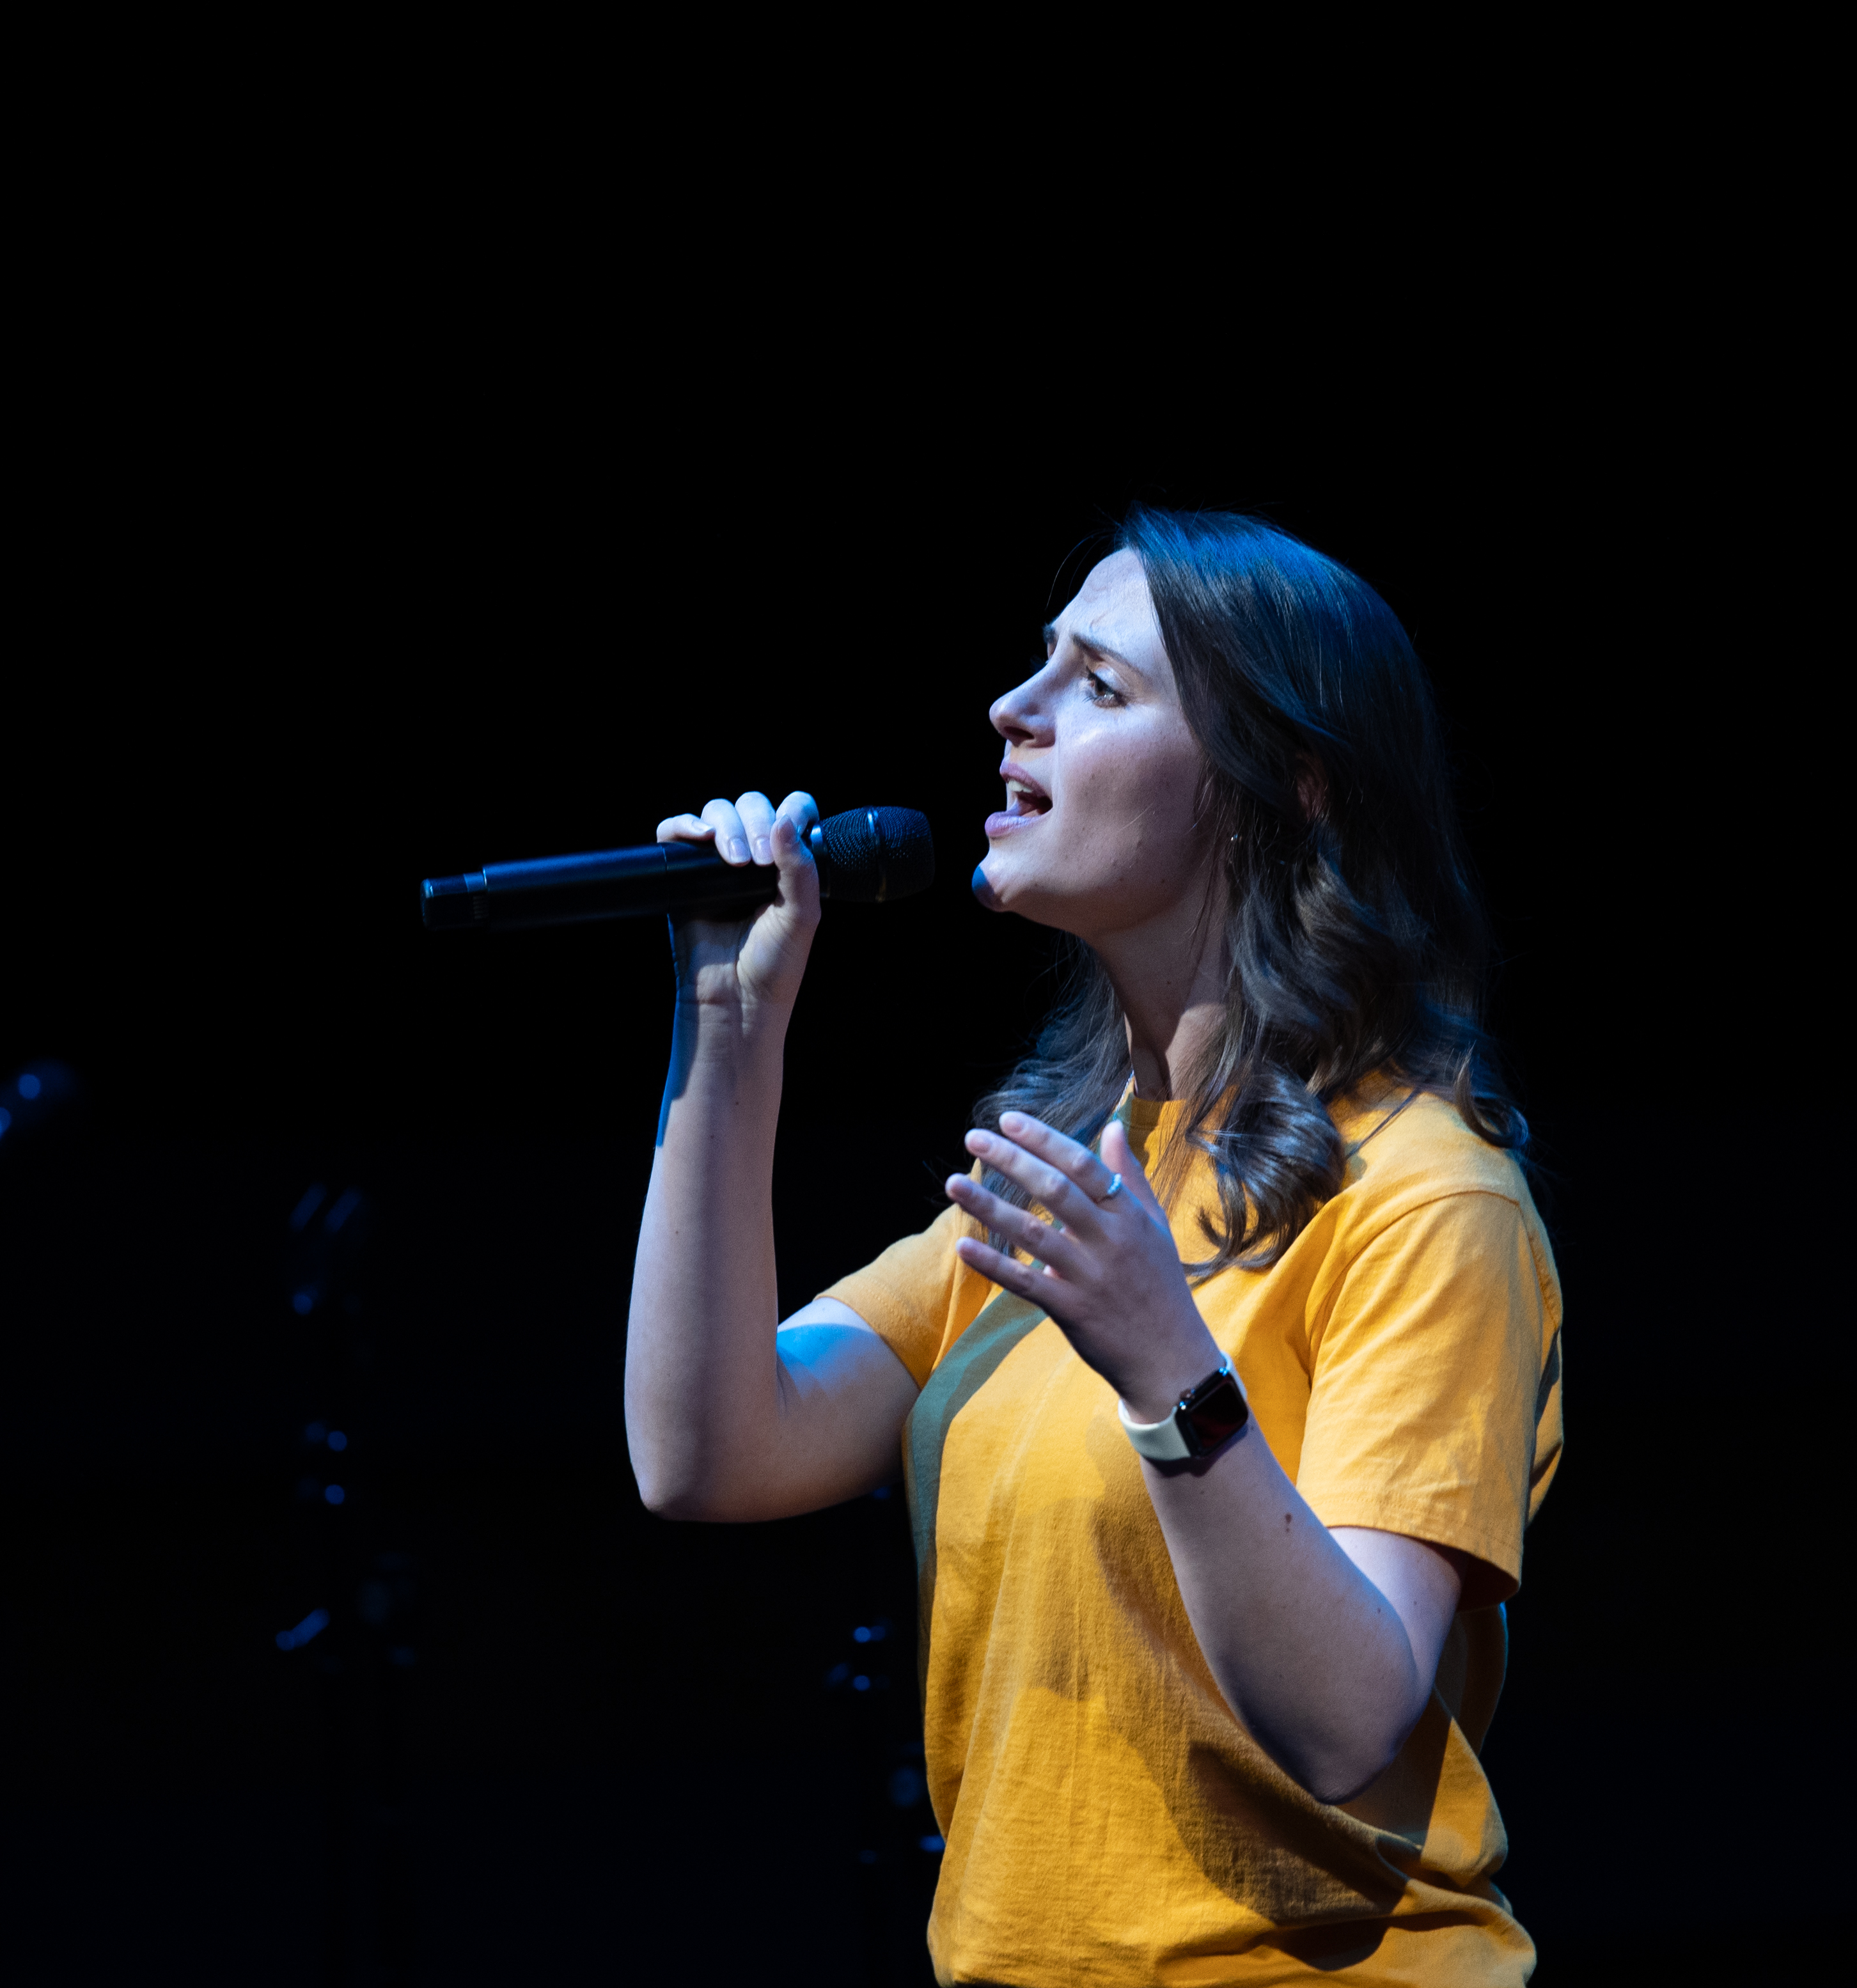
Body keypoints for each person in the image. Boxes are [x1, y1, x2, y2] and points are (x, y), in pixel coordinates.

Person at [624, 509, 1562, 1986]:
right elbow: (709, 1448)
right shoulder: (1079, 1180)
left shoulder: (1425, 1196)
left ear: (1285, 785)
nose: (1013, 707)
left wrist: (1166, 1367)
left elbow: (1345, 1724)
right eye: (1038, 662)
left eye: (1101, 684)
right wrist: (727, 1030)